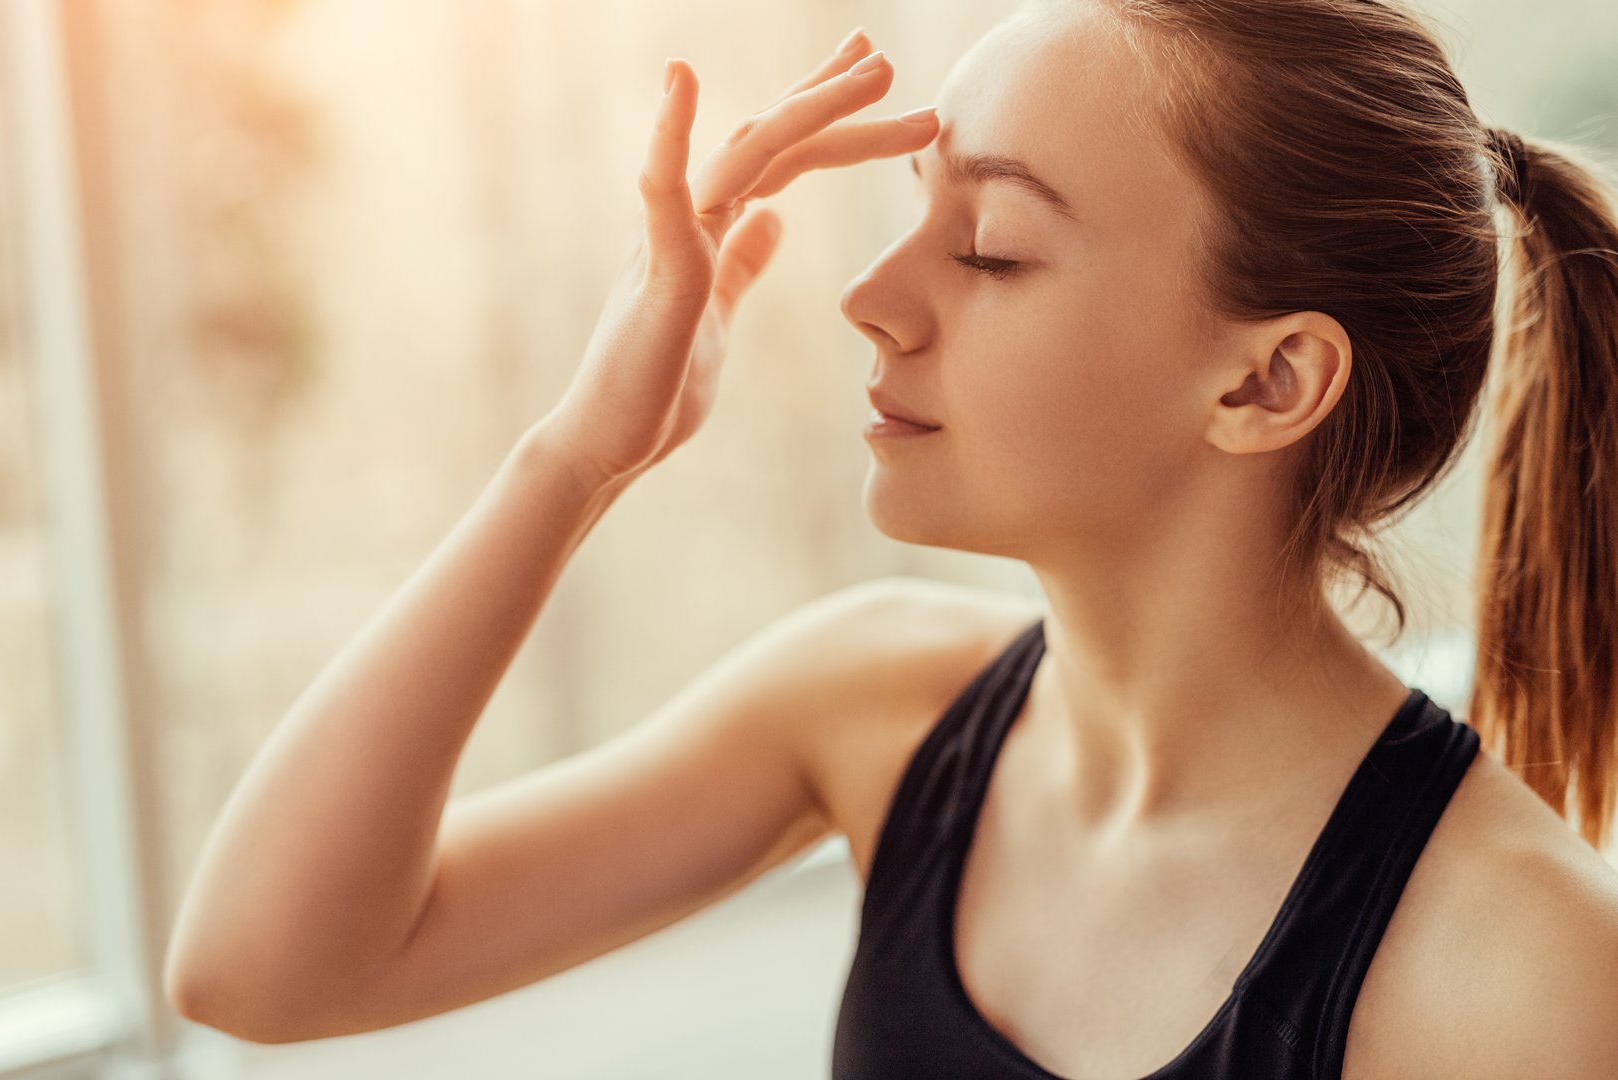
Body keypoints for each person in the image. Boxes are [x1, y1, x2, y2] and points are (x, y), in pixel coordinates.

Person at [164, 1, 1618, 1074]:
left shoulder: (1520, 972)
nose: (868, 290)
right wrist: (580, 456)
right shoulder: (877, 705)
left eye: (987, 246)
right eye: (911, 211)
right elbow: (262, 967)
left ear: (1266, 380)